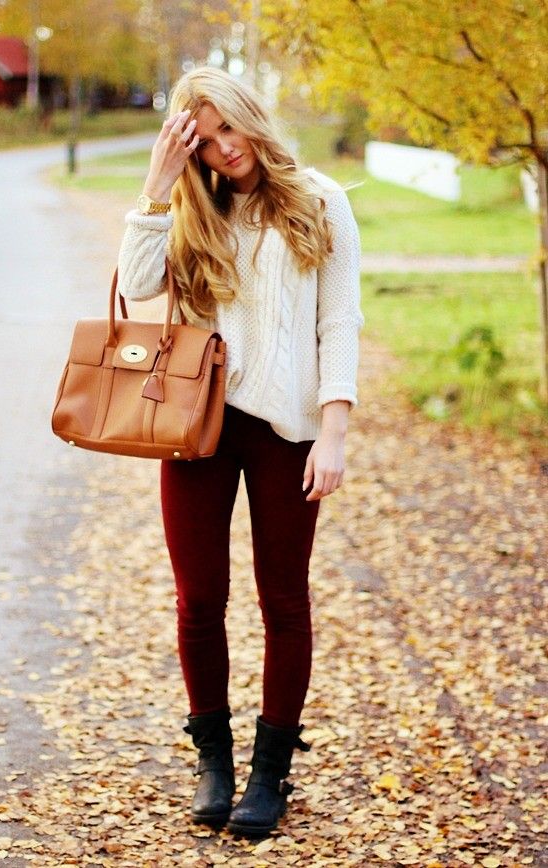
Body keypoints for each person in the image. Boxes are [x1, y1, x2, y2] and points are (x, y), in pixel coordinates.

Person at [117, 66, 364, 837]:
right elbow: (135, 284)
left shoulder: (321, 200)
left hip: (287, 430)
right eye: (206, 137)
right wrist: (158, 185)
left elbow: (338, 322)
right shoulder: (193, 206)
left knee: (283, 601)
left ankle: (271, 771)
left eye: (232, 128)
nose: (226, 149)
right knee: (199, 600)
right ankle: (213, 762)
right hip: (199, 425)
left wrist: (334, 431)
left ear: (253, 118)